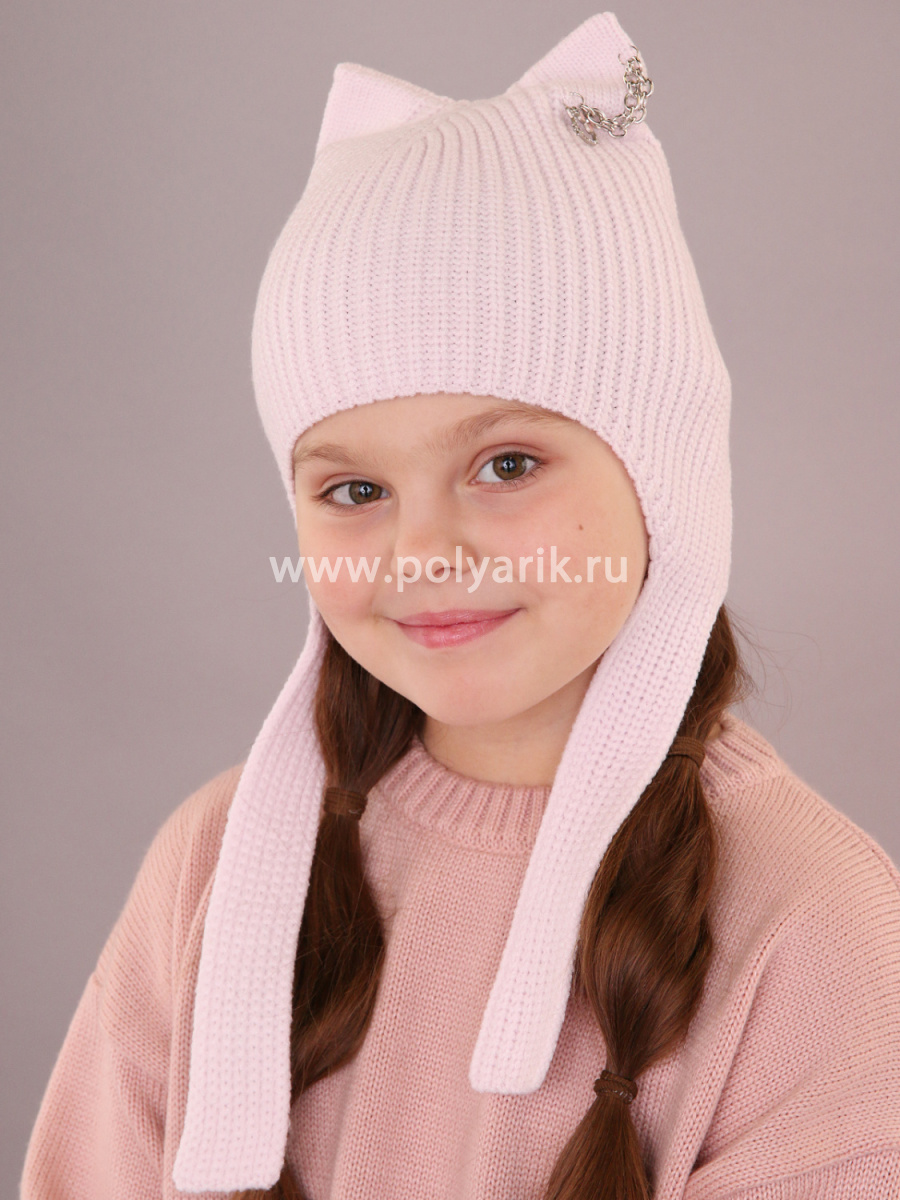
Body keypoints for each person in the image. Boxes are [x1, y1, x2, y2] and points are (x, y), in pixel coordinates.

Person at [20, 12, 900, 1200]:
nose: (424, 553)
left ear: (666, 479)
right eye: (354, 490)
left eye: (507, 464)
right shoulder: (214, 871)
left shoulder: (813, 923)